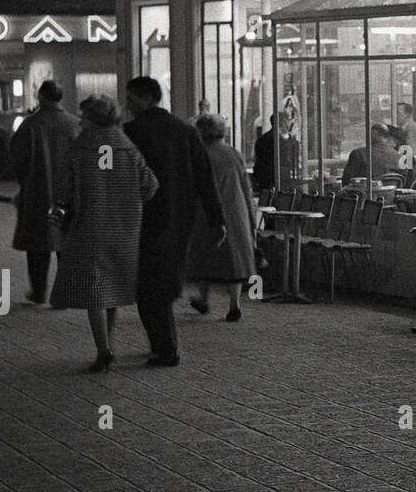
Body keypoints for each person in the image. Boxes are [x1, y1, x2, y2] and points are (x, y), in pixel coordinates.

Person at [49, 96, 158, 373]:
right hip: (124, 228)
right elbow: (150, 185)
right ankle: (109, 343)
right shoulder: (126, 147)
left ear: (93, 118)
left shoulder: (81, 147)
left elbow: (62, 188)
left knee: (94, 288)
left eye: (83, 115)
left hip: (90, 226)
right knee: (110, 287)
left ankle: (103, 349)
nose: (80, 119)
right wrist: (129, 202)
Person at [123, 76, 226, 368]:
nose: (127, 105)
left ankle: (166, 348)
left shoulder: (131, 132)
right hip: (181, 218)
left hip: (144, 218)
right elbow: (205, 177)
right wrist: (217, 219)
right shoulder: (185, 131)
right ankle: (163, 344)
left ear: (145, 98)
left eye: (131, 98)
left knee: (148, 286)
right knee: (164, 279)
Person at [8, 80, 79, 304]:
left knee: (38, 246)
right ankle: (66, 291)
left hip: (38, 192)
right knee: (65, 244)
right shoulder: (74, 124)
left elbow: (17, 158)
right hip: (68, 194)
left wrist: (26, 182)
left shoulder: (30, 125)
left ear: (41, 97)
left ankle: (39, 291)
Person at [186, 114, 258, 322]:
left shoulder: (199, 154)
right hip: (236, 212)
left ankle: (204, 299)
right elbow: (246, 187)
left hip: (207, 213)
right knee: (234, 261)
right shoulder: (234, 153)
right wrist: (251, 216)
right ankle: (234, 305)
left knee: (205, 256)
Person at [252, 112, 299, 194]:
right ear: (282, 122)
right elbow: (288, 160)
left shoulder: (262, 139)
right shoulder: (281, 141)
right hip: (279, 182)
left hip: (263, 182)